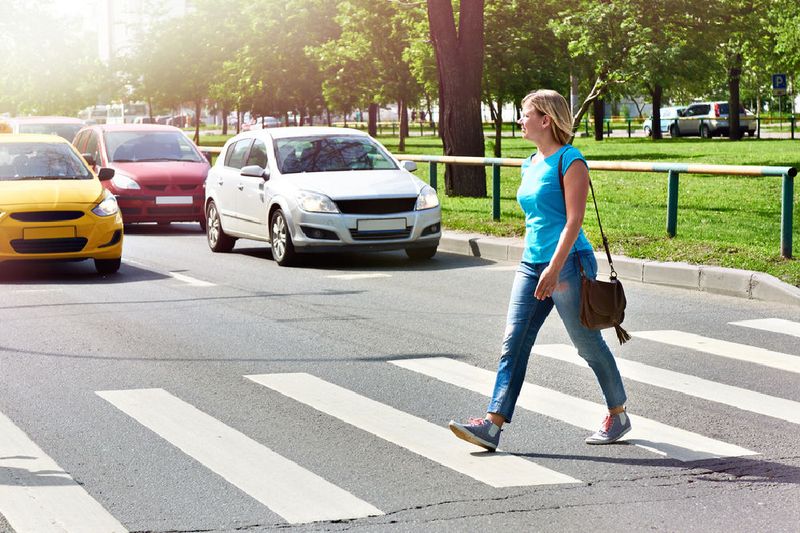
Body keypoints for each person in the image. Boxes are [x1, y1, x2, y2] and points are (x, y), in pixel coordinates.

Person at [449, 89, 631, 452]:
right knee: (513, 341)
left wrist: (555, 266)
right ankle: (492, 425)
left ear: (545, 119)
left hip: (567, 263)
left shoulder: (571, 160)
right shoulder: (529, 162)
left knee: (586, 343)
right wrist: (537, 261)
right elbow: (537, 218)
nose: (520, 120)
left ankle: (618, 413)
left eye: (525, 114)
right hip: (532, 265)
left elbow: (574, 221)